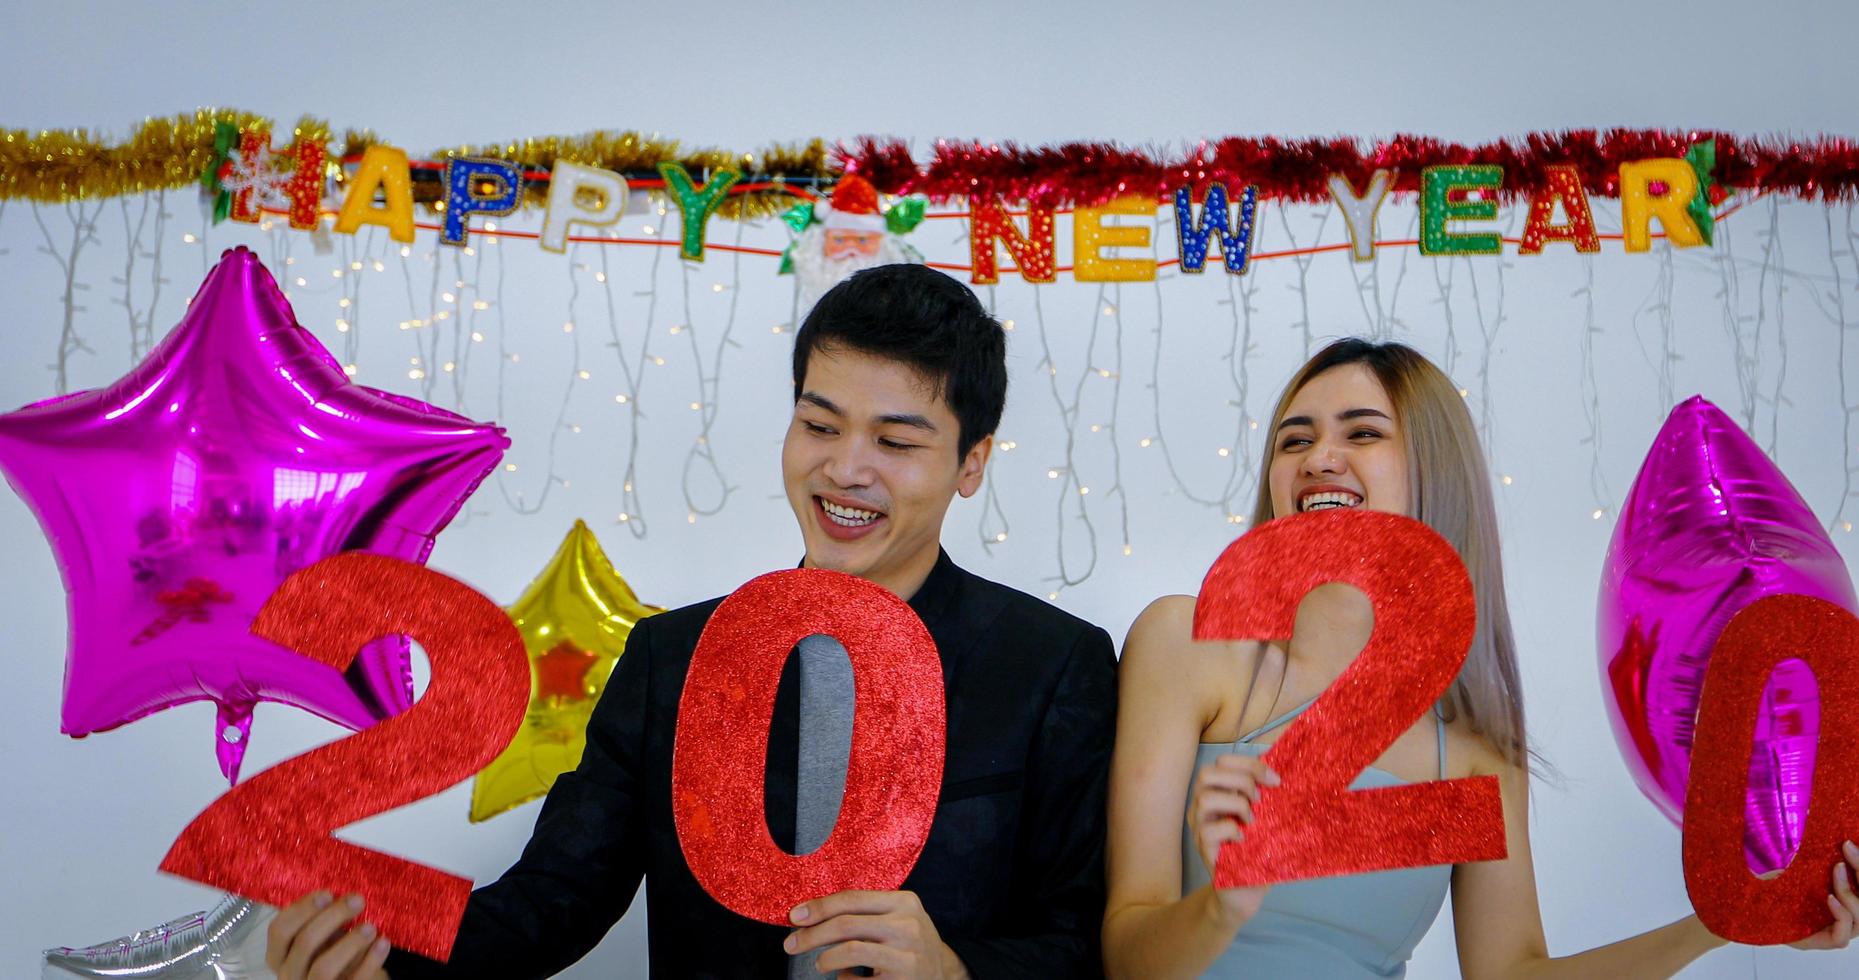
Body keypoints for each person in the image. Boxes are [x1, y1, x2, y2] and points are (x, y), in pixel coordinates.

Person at [264, 264, 1118, 979]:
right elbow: (552, 901)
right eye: (819, 424)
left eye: (896, 444)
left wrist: (953, 967)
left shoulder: (1052, 667)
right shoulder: (674, 659)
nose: (845, 468)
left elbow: (1081, 941)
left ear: (971, 464)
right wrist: (378, 951)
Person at [1100, 338, 1859, 979]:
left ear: (1433, 470)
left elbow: (1512, 976)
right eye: (1293, 440)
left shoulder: (1472, 758)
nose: (1318, 456)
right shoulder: (1188, 645)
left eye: (1361, 433)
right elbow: (1127, 951)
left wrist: (1728, 916)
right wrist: (1220, 909)